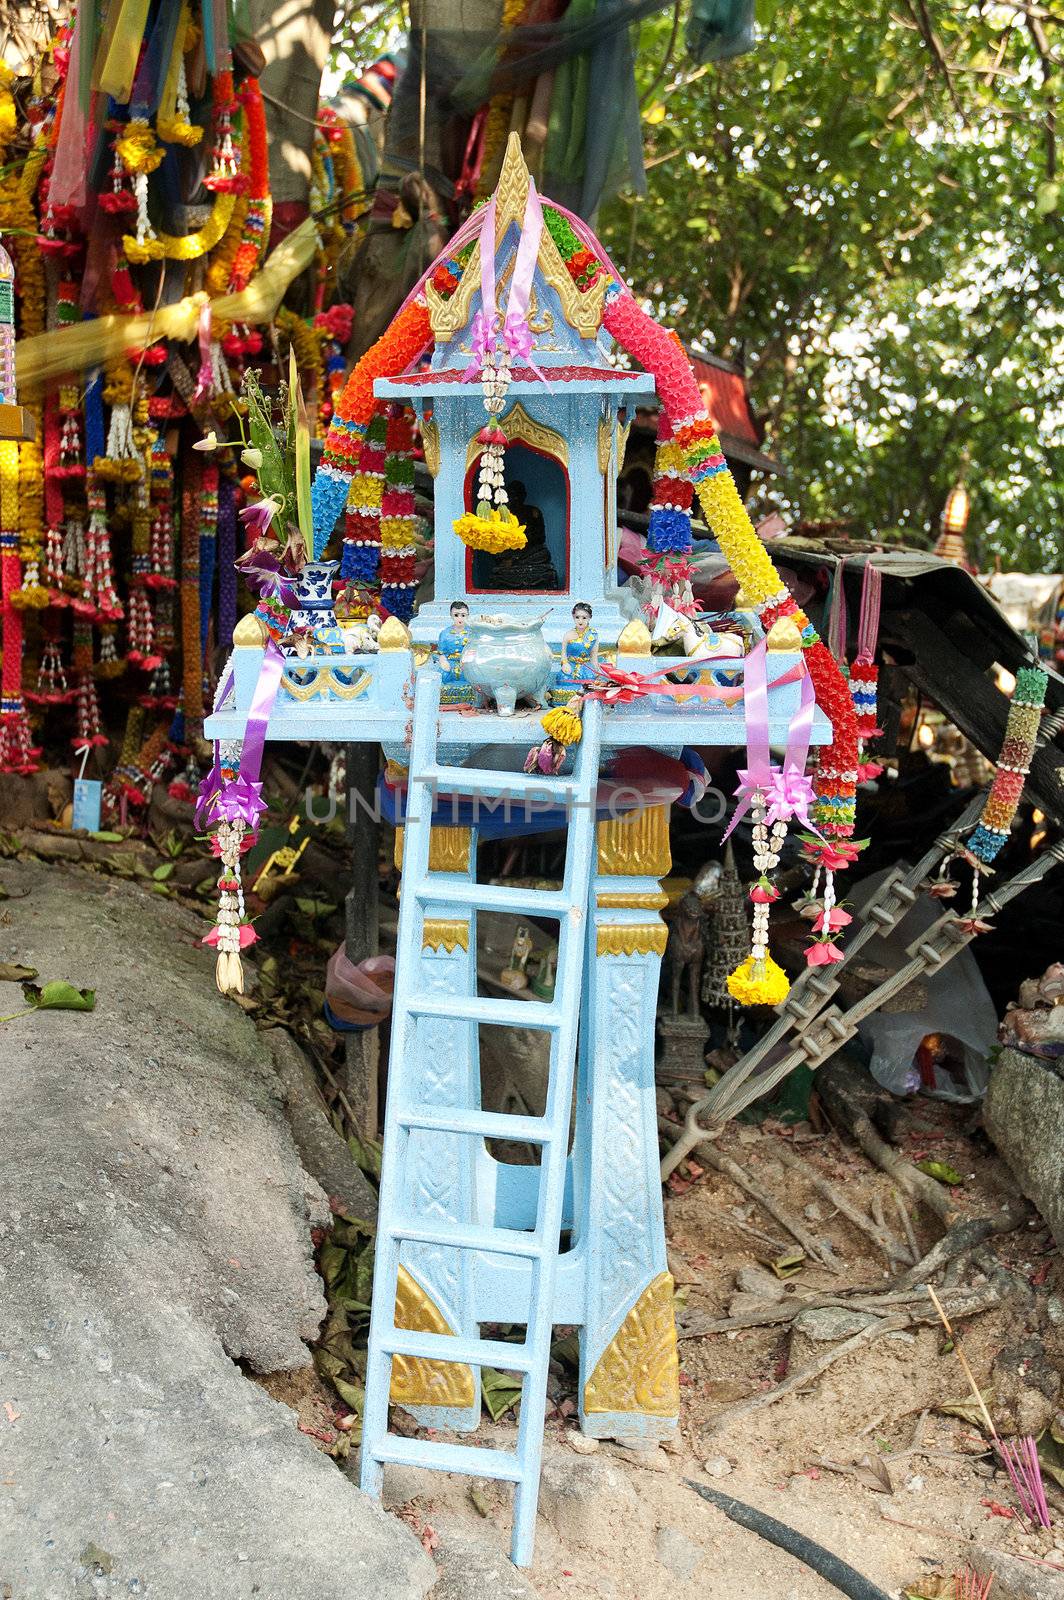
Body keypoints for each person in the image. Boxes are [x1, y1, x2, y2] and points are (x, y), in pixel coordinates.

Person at [553, 602, 598, 703]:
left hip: (586, 666)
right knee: (563, 678)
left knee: (590, 680)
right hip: (571, 665)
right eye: (577, 617)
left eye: (584, 618)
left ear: (589, 618)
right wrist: (565, 664)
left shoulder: (593, 635)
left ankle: (585, 699)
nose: (580, 621)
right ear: (573, 617)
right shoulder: (568, 635)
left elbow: (593, 657)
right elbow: (563, 653)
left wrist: (596, 670)